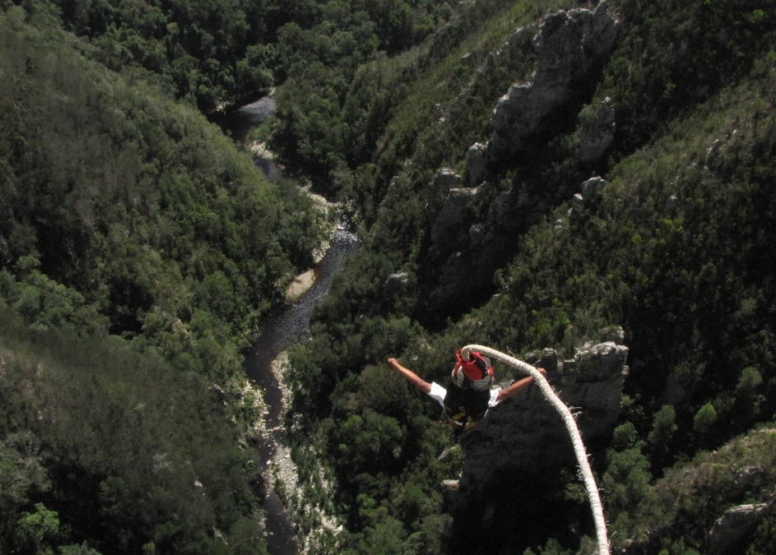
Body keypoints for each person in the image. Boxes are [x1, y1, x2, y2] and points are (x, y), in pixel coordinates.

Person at [387, 350, 546, 436]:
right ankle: (468, 370)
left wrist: (533, 377)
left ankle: (475, 371)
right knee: (459, 382)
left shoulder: (482, 410)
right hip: (461, 392)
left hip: (479, 391)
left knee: (479, 383)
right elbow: (420, 384)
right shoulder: (446, 404)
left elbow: (508, 392)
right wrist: (396, 365)